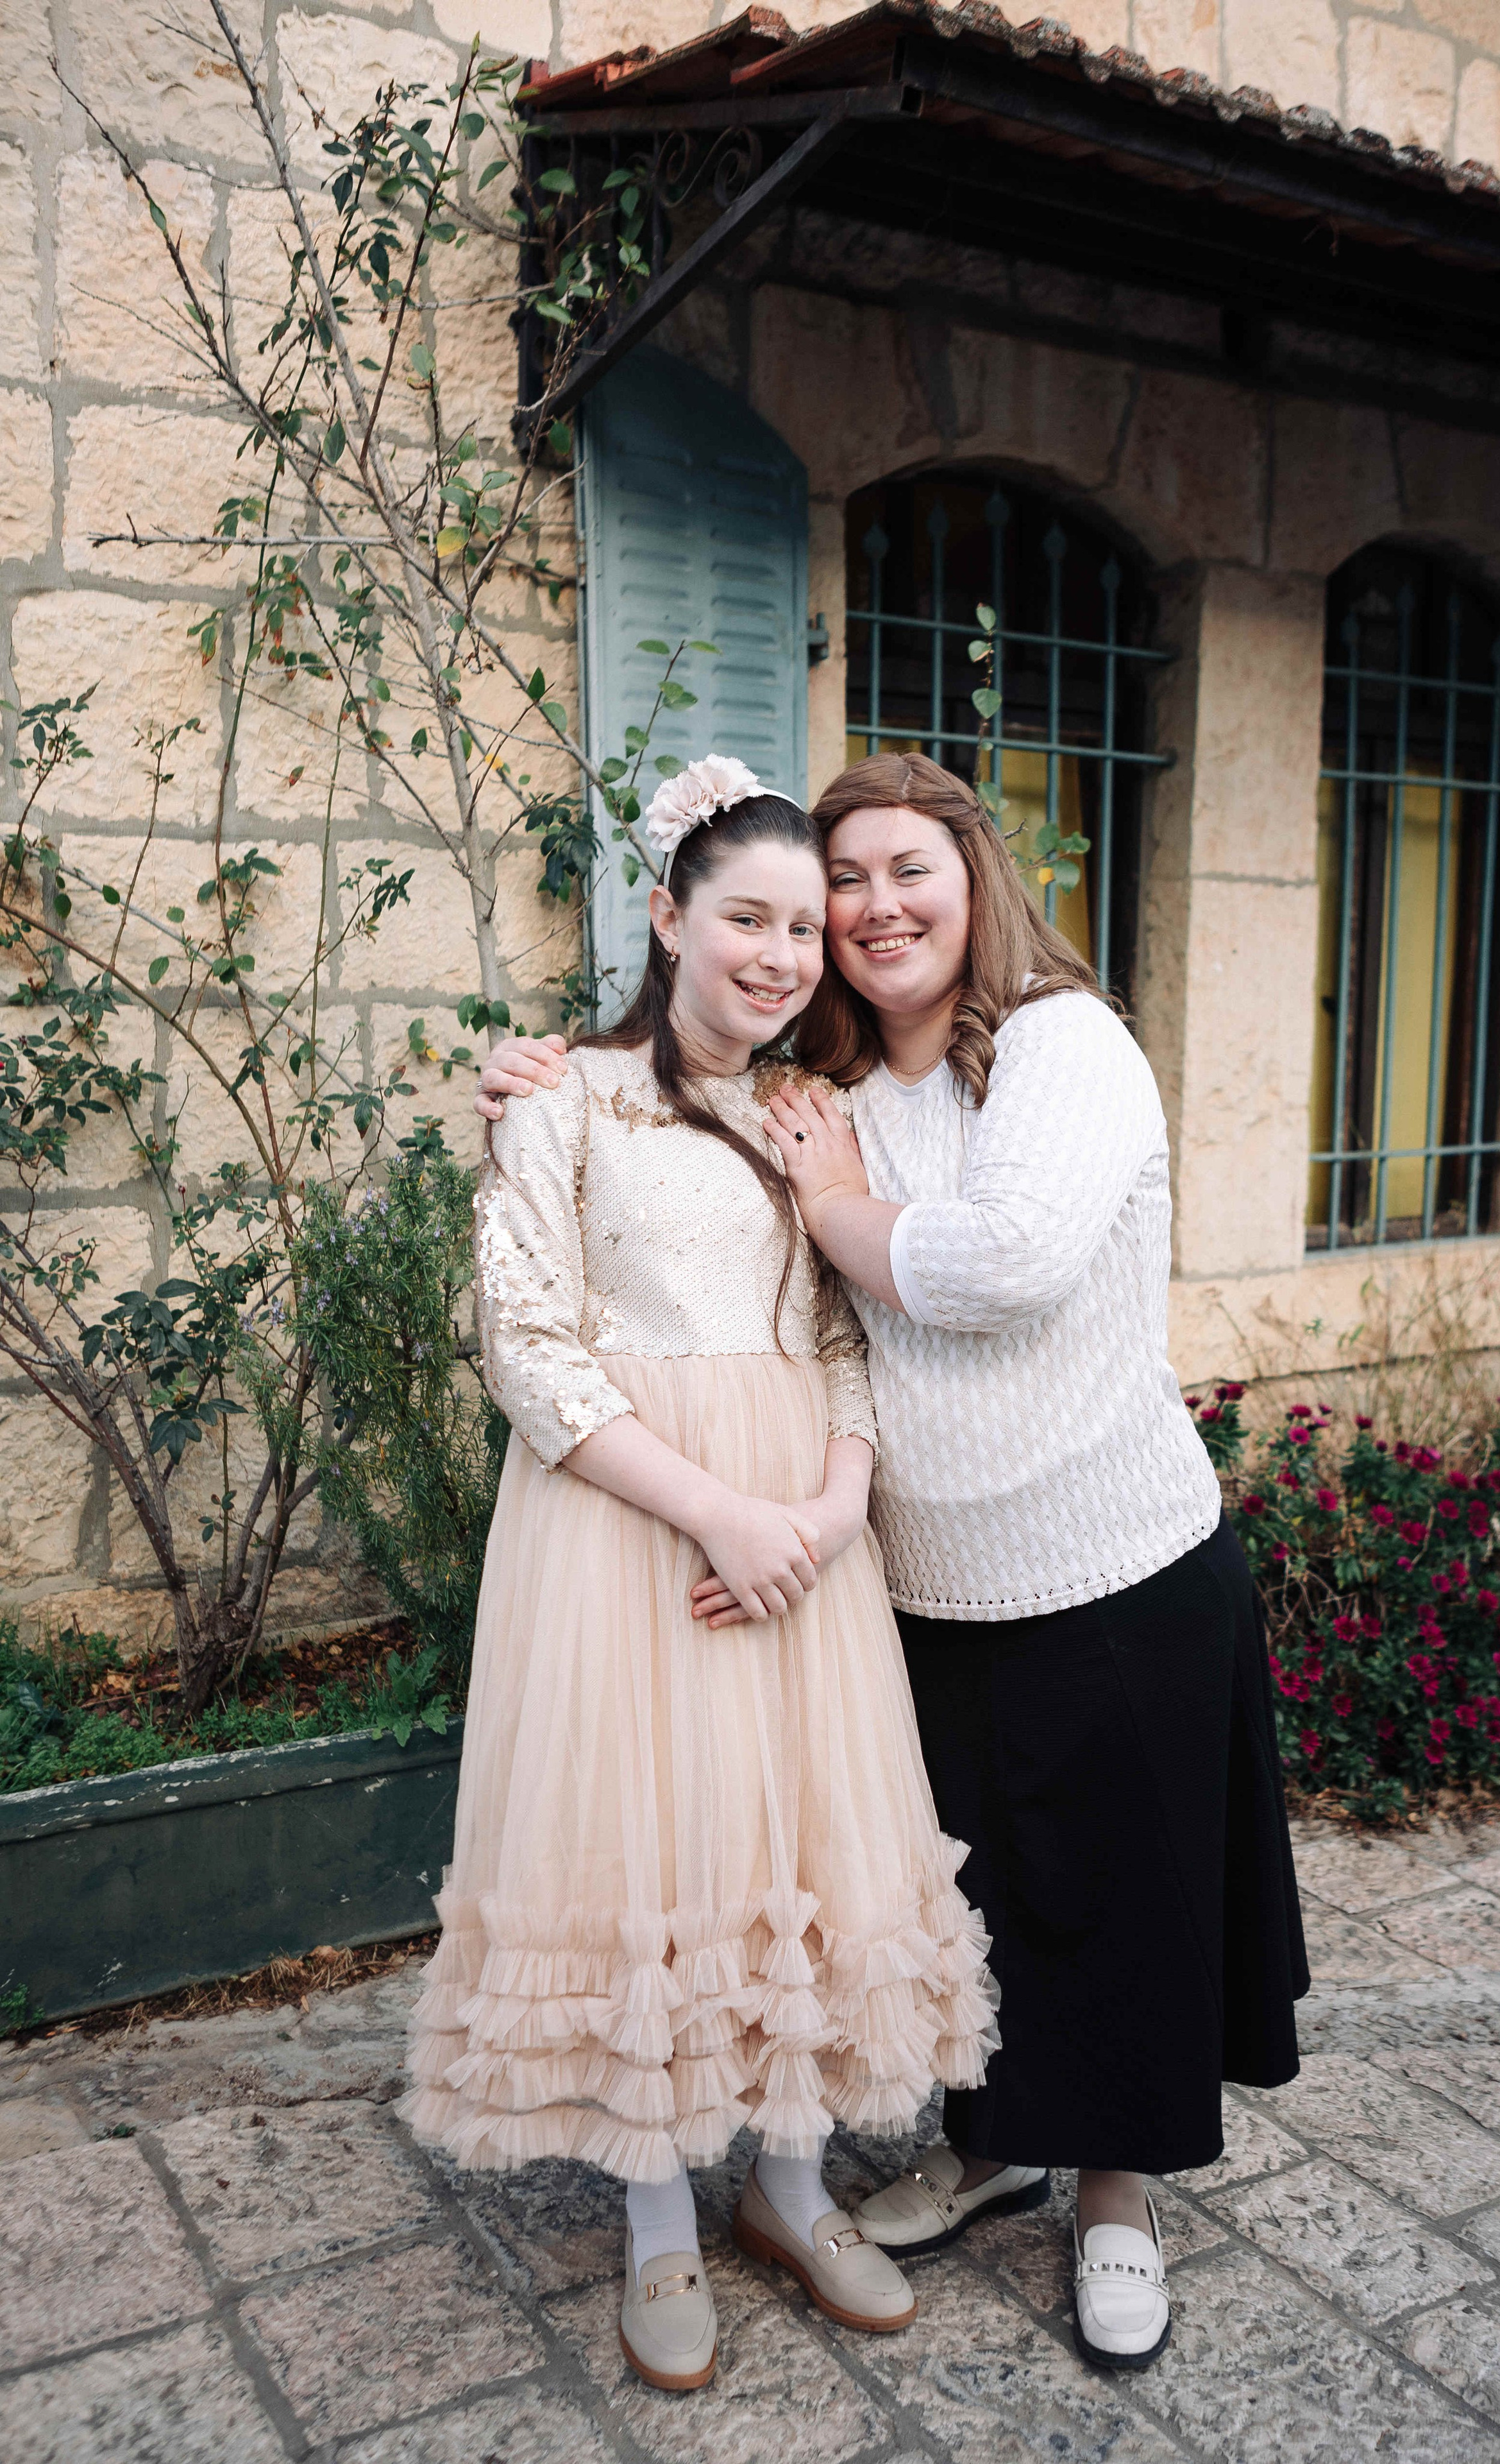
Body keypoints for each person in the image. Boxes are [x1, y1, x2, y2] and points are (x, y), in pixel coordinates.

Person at [476, 749, 1310, 2375]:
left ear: (971, 877)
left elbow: (957, 1281)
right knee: (949, 1883)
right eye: (818, 893)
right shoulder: (818, 1092)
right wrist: (535, 1078)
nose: (852, 917)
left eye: (888, 876)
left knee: (1108, 1890)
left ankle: (1112, 2199)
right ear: (674, 916)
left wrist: (836, 1443)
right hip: (864, 1572)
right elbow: (573, 1303)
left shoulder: (1049, 1050)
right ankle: (959, 2150)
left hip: (1081, 1552)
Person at [405, 756, 995, 2393]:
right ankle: (661, 2217)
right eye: (749, 914)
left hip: (799, 1536)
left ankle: (792, 2196)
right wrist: (714, 1515)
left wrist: (818, 1507)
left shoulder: (805, 1113)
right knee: (645, 1853)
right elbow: (523, 1344)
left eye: (805, 924)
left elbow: (838, 1333)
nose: (786, 950)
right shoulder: (561, 1103)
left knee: (788, 1841)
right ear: (666, 917)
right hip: (627, 1529)